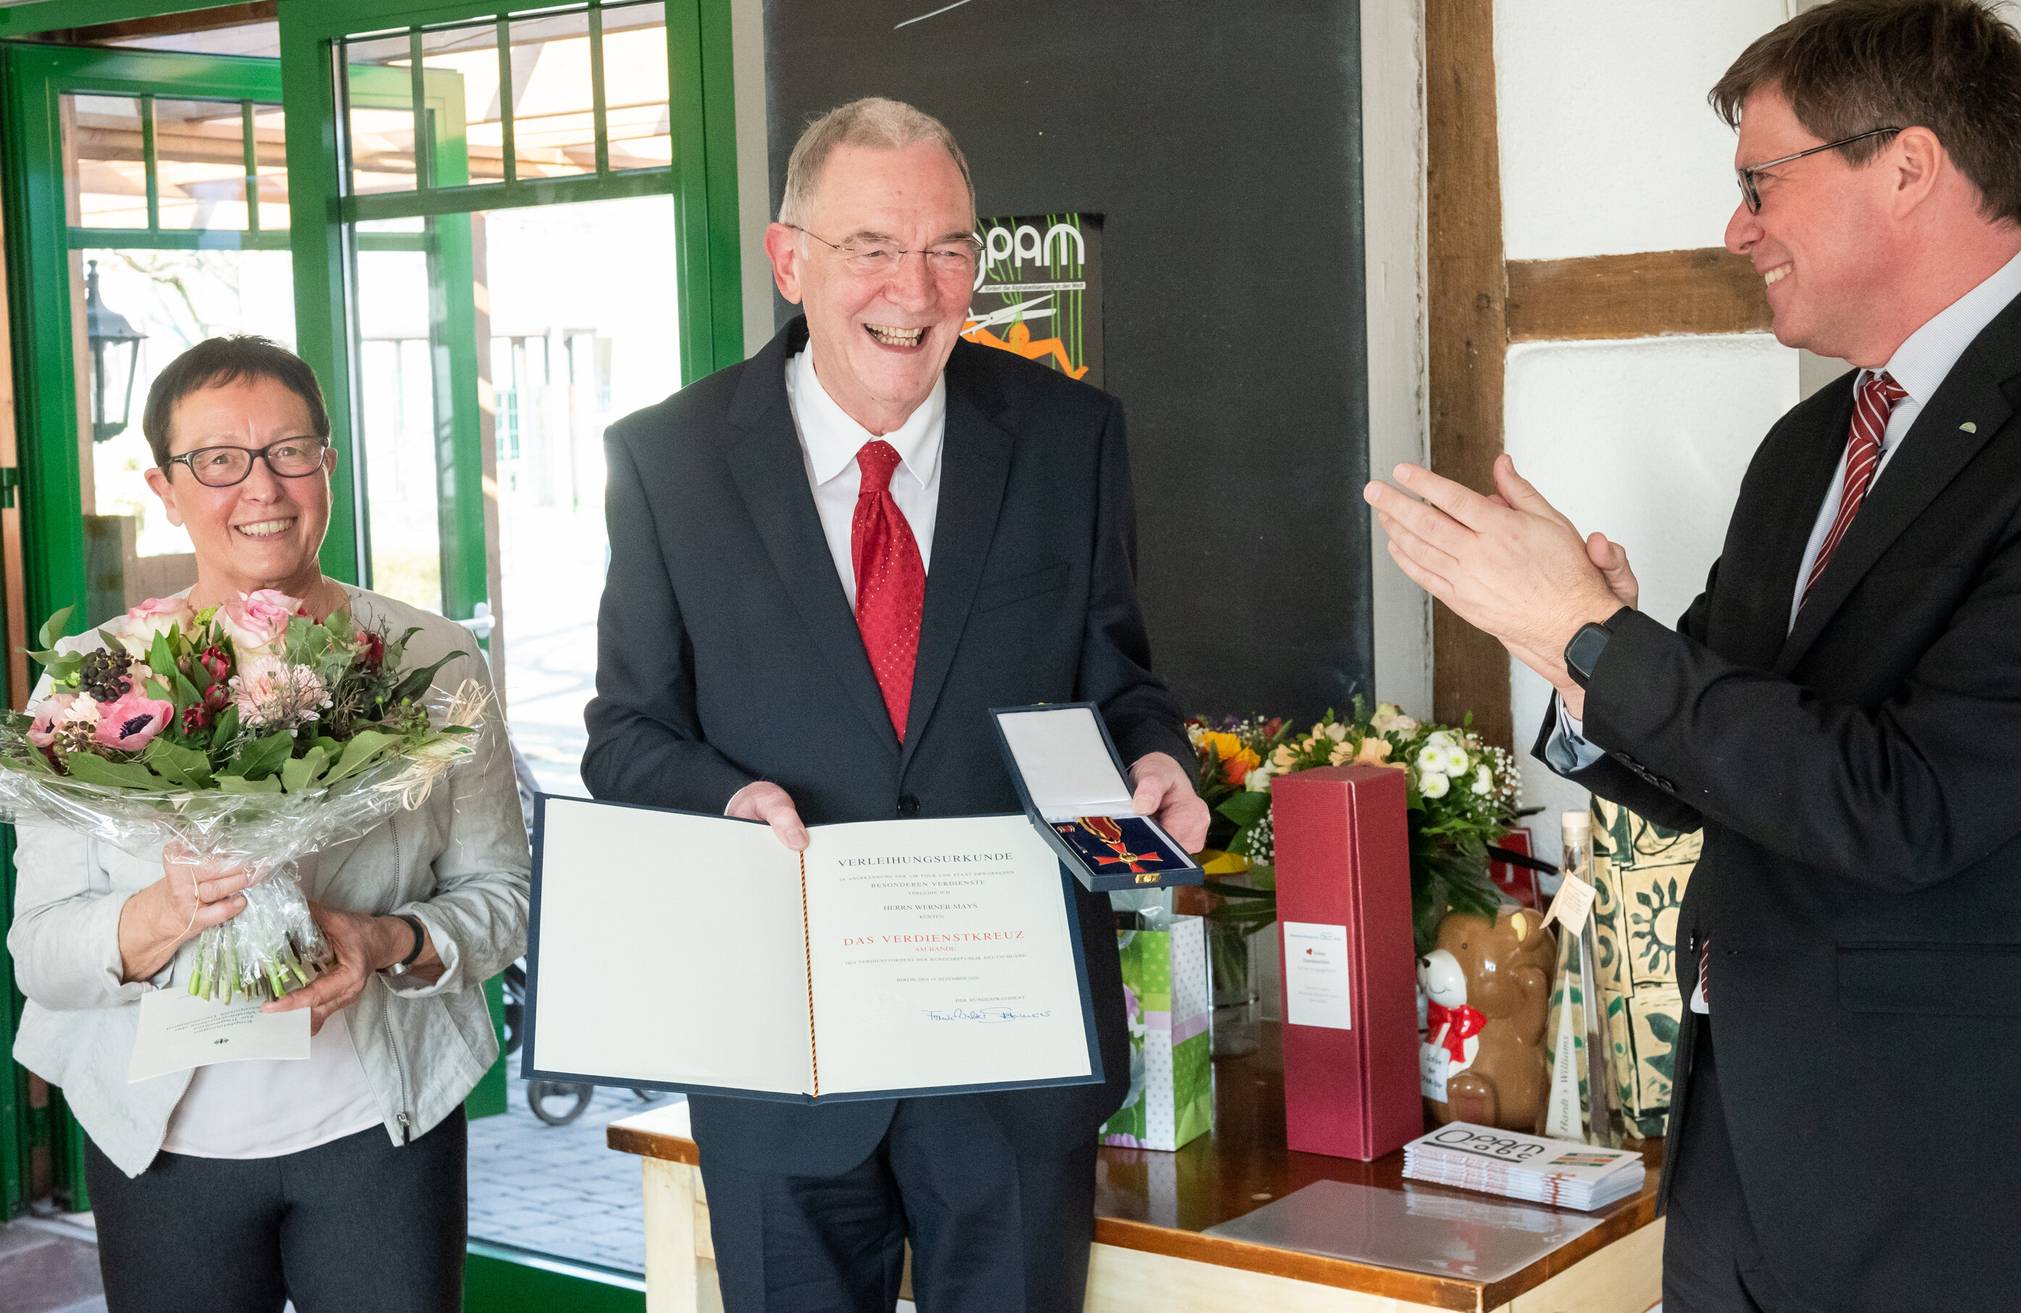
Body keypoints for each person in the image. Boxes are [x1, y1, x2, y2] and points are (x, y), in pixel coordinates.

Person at [1364, 3, 2021, 1310]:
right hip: (1737, 1174)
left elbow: (1904, 806)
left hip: (1954, 1201)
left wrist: (1583, 634)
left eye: (1763, 183)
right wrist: (1587, 664)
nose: (1737, 228)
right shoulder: (1808, 451)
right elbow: (1706, 753)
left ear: (1909, 165)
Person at [581, 97, 1204, 1312]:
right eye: (872, 245)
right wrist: (726, 792)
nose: (913, 291)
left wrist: (1157, 753)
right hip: (783, 1046)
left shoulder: (1071, 434)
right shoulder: (669, 460)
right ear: (789, 258)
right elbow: (625, 733)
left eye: (948, 248)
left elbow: (1118, 678)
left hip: (1010, 1055)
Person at [8, 336, 530, 1313]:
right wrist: (163, 912)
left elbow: (503, 901)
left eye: (290, 450)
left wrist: (384, 939)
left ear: (326, 464)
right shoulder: (91, 680)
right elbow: (38, 952)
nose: (262, 486)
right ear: (166, 485)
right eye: (218, 459)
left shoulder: (432, 661)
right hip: (161, 1142)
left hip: (380, 1127)